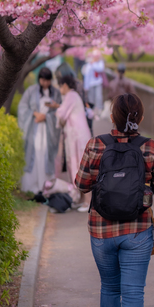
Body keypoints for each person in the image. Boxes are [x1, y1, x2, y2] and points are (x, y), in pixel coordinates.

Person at [75, 93, 154, 307]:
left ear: (112, 117)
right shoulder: (150, 147)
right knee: (132, 293)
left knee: (109, 287)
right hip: (137, 229)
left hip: (101, 229)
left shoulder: (96, 145)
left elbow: (81, 184)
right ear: (140, 118)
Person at [16, 67, 61, 195]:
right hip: (34, 128)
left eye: (47, 80)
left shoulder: (56, 93)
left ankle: (45, 186)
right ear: (39, 79)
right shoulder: (31, 91)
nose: (45, 83)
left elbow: (59, 111)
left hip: (48, 130)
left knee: (45, 153)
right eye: (43, 80)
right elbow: (22, 107)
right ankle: (31, 187)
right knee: (34, 154)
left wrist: (46, 117)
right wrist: (35, 114)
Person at [55, 72, 92, 206]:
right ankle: (82, 200)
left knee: (81, 168)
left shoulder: (70, 95)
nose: (60, 89)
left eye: (60, 86)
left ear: (65, 85)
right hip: (78, 136)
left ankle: (87, 201)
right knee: (80, 167)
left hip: (77, 137)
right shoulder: (74, 95)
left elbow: (61, 114)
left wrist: (57, 109)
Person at [82, 49, 106, 117]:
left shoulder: (99, 63)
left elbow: (100, 69)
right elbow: (86, 75)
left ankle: (99, 110)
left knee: (98, 96)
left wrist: (93, 64)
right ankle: (92, 110)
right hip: (91, 84)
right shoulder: (89, 64)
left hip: (98, 82)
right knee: (91, 97)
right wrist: (86, 86)